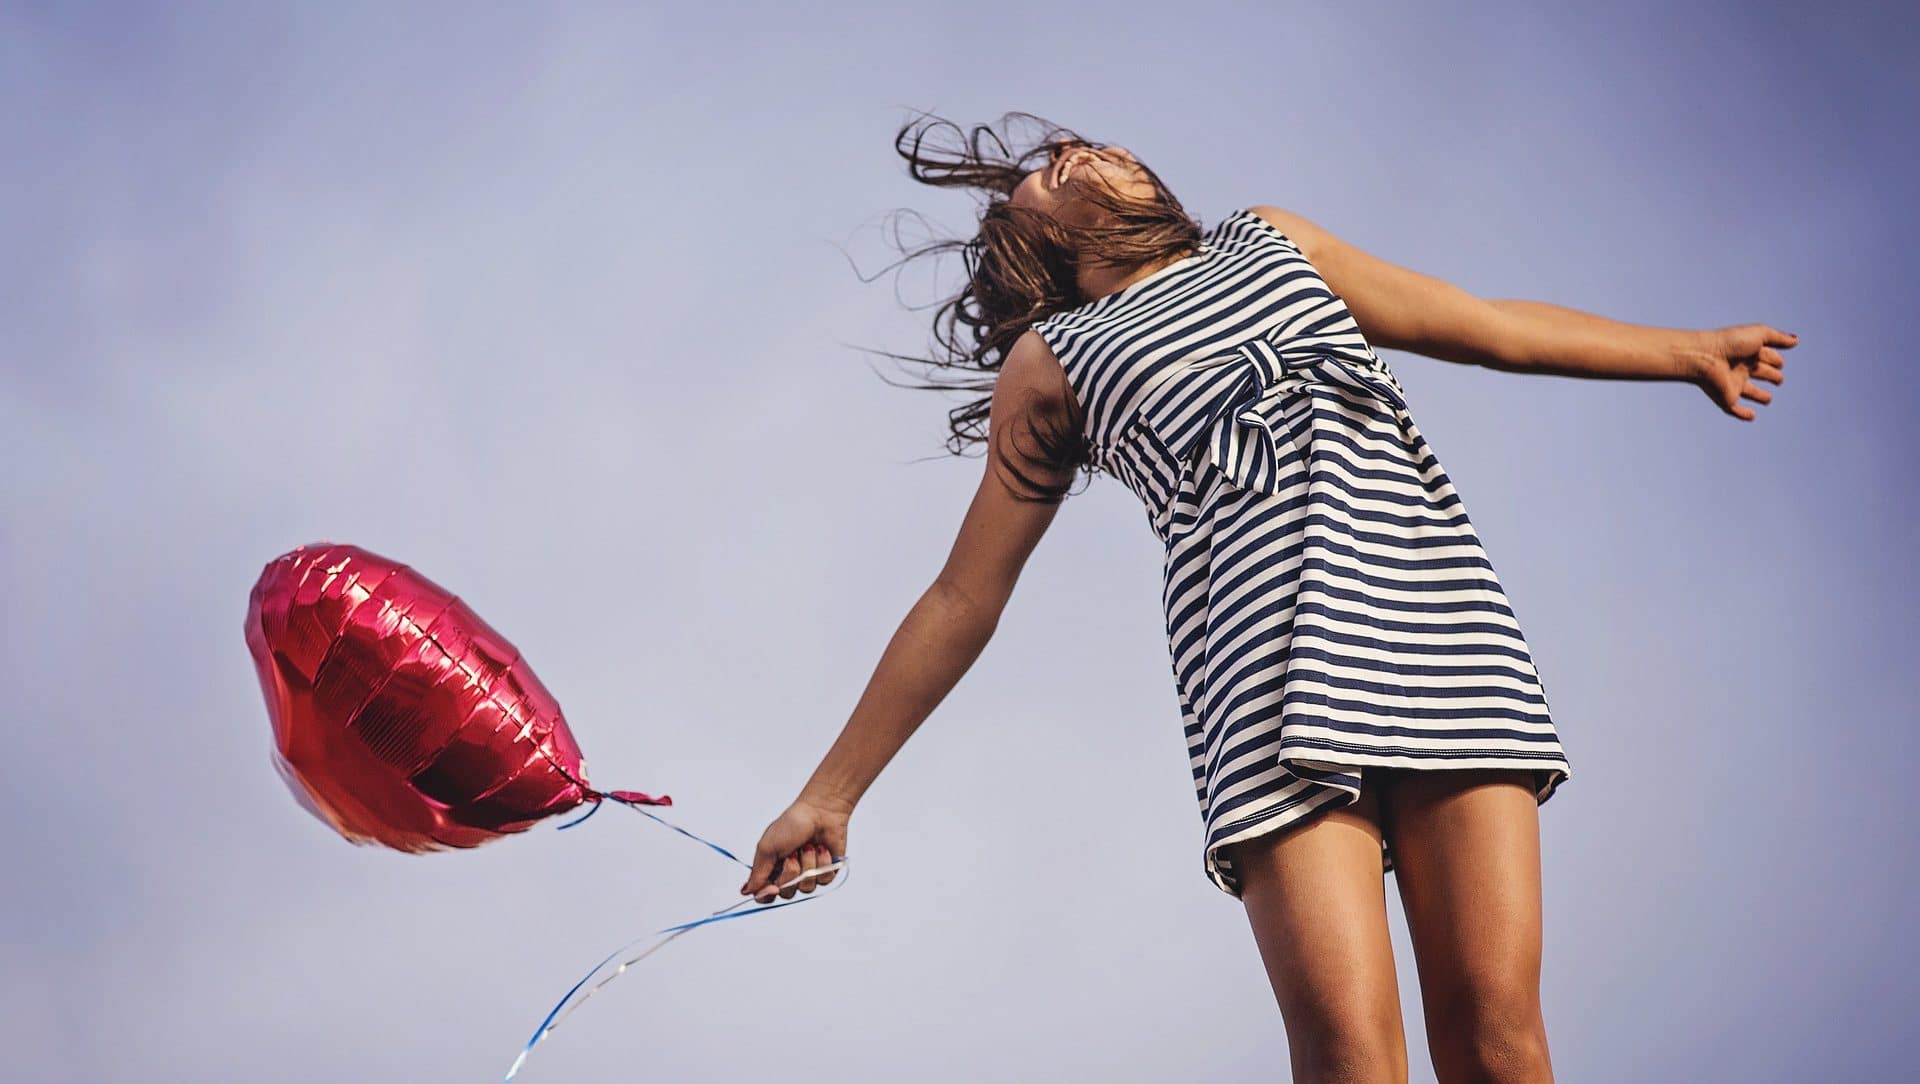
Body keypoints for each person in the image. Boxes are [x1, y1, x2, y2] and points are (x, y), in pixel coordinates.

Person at [737, 111, 1793, 1083]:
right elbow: (964, 594)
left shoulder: (1270, 241)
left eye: (1080, 145)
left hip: (1440, 633)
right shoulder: (1053, 360)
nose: (1078, 156)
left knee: (1497, 1026)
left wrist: (1684, 350)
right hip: (1262, 691)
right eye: (1050, 174)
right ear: (1040, 244)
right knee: (1346, 1049)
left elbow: (1485, 325)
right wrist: (830, 794)